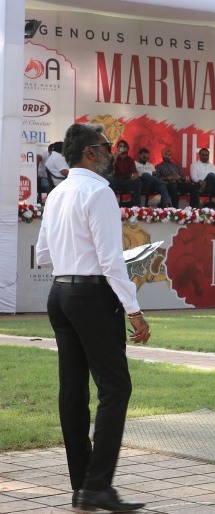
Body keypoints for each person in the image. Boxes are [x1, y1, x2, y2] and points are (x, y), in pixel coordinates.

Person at [35, 122, 150, 512]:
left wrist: (74, 255)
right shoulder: (98, 190)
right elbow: (111, 260)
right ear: (90, 152)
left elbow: (43, 256)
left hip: (60, 292)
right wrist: (135, 311)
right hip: (91, 294)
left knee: (73, 390)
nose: (111, 152)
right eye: (105, 146)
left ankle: (82, 484)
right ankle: (97, 485)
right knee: (115, 388)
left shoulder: (58, 192)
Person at [108, 140, 143, 207]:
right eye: (120, 146)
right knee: (110, 181)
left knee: (138, 182)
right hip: (116, 180)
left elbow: (134, 172)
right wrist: (116, 156)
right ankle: (111, 206)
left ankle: (136, 207)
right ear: (117, 148)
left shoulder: (130, 160)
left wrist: (135, 176)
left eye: (124, 146)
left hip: (127, 181)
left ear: (127, 149)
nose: (122, 148)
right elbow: (109, 170)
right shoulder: (113, 158)